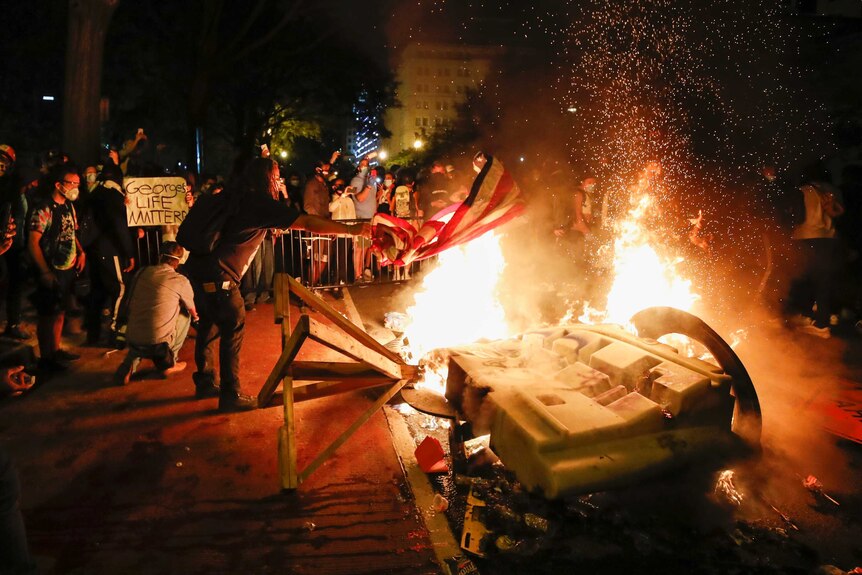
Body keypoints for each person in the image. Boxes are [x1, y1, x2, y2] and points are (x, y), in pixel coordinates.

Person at [184, 157, 371, 411]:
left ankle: (205, 381)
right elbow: (307, 222)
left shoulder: (225, 197)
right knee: (232, 327)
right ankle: (230, 395)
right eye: (276, 176)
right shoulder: (258, 203)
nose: (279, 180)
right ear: (266, 179)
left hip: (197, 272)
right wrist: (352, 230)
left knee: (208, 324)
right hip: (222, 279)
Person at [28, 164, 86, 372]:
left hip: (67, 268)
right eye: (72, 184)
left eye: (78, 184)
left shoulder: (69, 206)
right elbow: (33, 242)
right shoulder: (44, 208)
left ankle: (55, 350)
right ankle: (46, 358)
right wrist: (44, 271)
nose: (76, 188)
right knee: (47, 314)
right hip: (50, 268)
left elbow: (72, 232)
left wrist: (81, 251)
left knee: (60, 311)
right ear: (59, 185)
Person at [113, 241, 197, 385]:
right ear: (179, 260)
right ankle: (169, 362)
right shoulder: (180, 280)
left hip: (132, 336)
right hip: (158, 344)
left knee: (144, 326)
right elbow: (193, 310)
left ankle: (128, 365)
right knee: (185, 315)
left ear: (159, 257)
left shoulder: (142, 272)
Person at [83, 161, 136, 346]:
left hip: (94, 250)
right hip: (111, 249)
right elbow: (119, 227)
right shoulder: (113, 196)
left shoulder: (95, 194)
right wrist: (129, 253)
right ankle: (115, 333)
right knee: (120, 288)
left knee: (97, 291)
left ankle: (93, 333)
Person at [786, 174, 845, 338]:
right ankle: (822, 320)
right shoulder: (834, 190)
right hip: (830, 238)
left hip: (807, 237)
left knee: (804, 278)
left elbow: (797, 216)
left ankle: (810, 318)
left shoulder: (803, 190)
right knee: (824, 281)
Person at [0, 144, 30, 340]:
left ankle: (13, 323)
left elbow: (21, 215)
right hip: (4, 244)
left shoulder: (12, 189)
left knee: (15, 283)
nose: (2, 166)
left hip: (14, 244)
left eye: (5, 163)